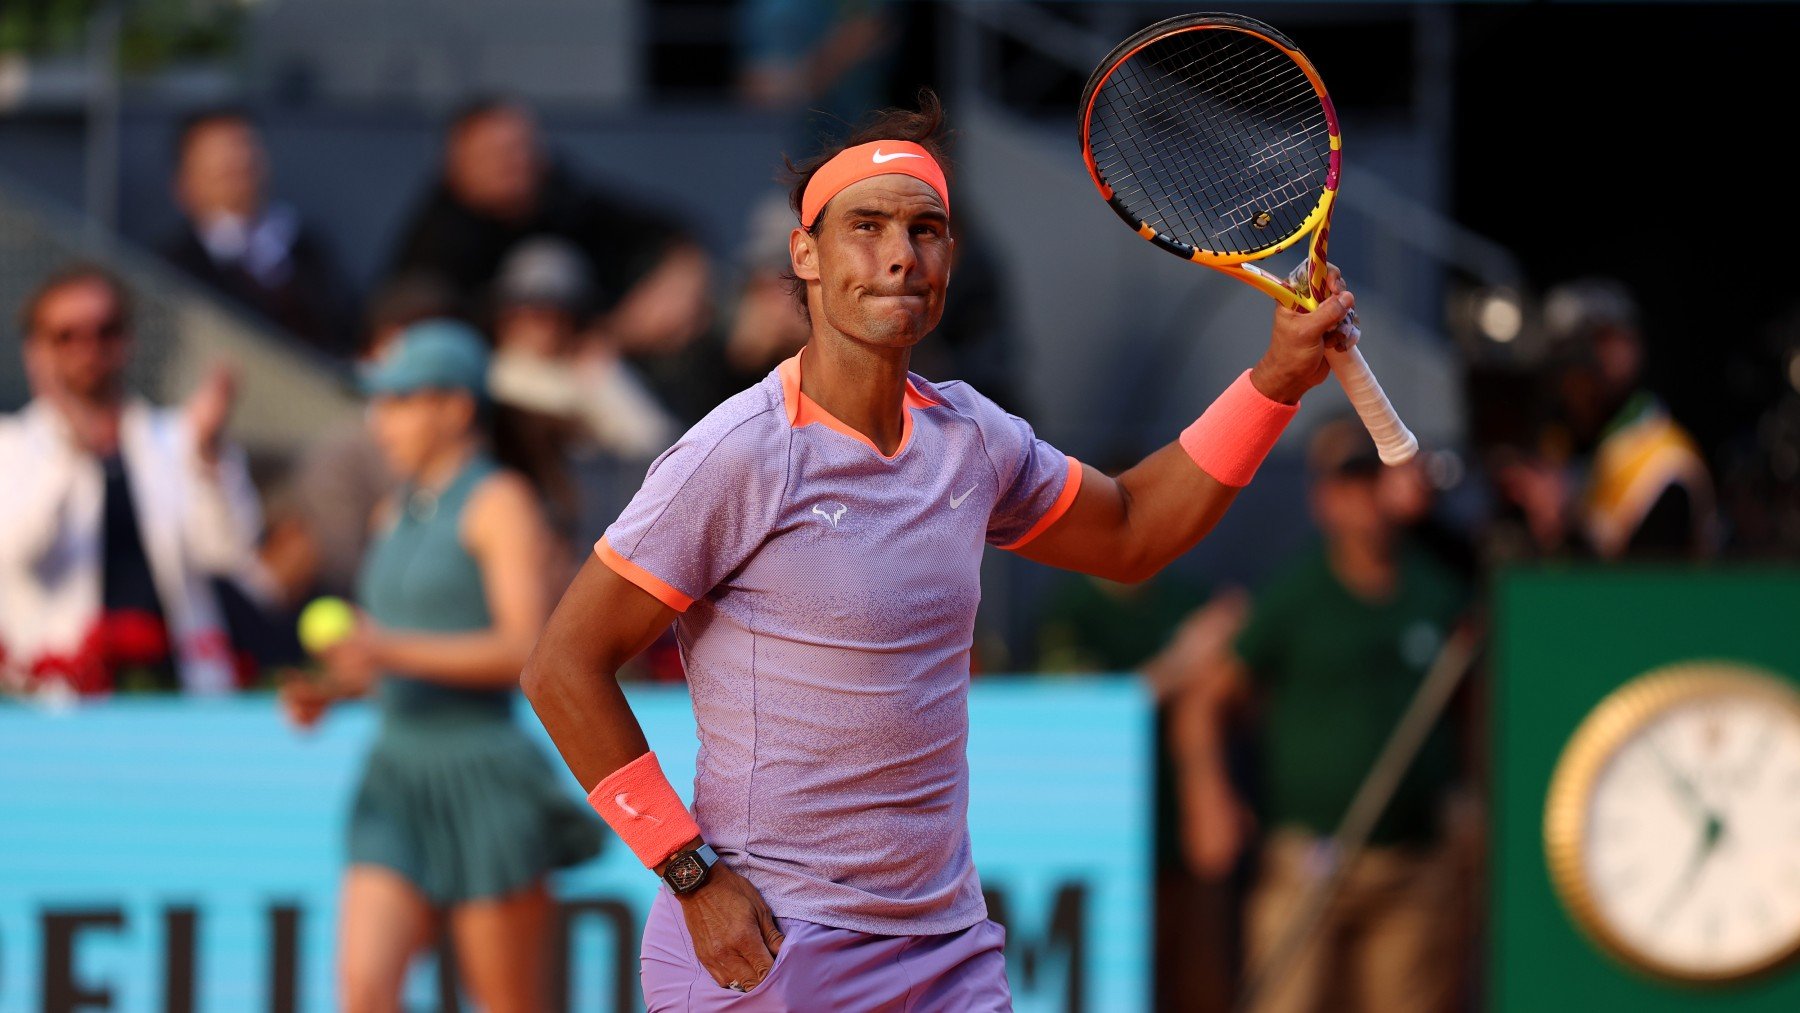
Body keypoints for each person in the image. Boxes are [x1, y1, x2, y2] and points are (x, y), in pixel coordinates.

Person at [520, 92, 1357, 1009]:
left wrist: (1275, 381)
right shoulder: (738, 452)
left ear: (950, 258)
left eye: (926, 229)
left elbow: (1132, 532)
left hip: (947, 949)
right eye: (866, 227)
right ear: (805, 256)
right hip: (771, 941)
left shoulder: (973, 438)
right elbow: (564, 666)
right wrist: (690, 874)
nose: (898, 255)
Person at [278, 320, 601, 1012]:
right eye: (379, 402)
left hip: (484, 776)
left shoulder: (499, 502)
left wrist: (386, 647)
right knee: (364, 992)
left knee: (508, 1002)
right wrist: (336, 688)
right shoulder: (392, 510)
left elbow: (525, 649)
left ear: (455, 408)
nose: (381, 420)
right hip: (393, 775)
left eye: (399, 401)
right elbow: (394, 659)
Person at [1171, 419, 1470, 1013]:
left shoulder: (1439, 590)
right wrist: (1208, 794)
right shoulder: (1297, 595)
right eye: (1347, 483)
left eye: (1374, 480)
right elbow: (1206, 700)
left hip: (1412, 865)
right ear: (1323, 498)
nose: (1363, 500)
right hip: (1309, 861)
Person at [0, 264, 261, 696]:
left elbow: (228, 553)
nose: (89, 349)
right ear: (36, 350)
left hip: (176, 691)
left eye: (107, 331)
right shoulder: (10, 446)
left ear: (128, 341)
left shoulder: (179, 439)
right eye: (66, 336)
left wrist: (209, 457)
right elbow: (15, 554)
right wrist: (68, 451)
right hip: (55, 697)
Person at [385, 97, 711, 359]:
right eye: (498, 153)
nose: (518, 163)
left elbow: (668, 230)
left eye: (524, 147)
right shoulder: (436, 249)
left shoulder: (563, 197)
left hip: (601, 366)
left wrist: (678, 278)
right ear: (457, 164)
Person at [1493, 279, 1716, 559]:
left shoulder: (1664, 465)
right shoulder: (1559, 443)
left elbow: (1643, 594)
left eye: (1596, 344)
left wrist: (1561, 525)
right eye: (1562, 354)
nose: (1571, 373)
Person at [161, 108, 356, 357]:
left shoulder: (305, 249)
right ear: (185, 184)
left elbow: (344, 324)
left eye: (244, 149)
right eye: (223, 165)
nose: (238, 159)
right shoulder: (173, 269)